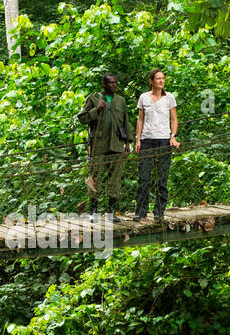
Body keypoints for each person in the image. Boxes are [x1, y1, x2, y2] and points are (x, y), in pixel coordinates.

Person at [76, 73, 131, 221]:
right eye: (111, 83)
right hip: (98, 145)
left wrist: (128, 142)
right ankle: (93, 212)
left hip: (117, 144)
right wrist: (97, 110)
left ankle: (111, 213)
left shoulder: (120, 101)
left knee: (115, 178)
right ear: (104, 84)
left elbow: (125, 121)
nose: (114, 85)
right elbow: (82, 118)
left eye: (115, 83)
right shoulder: (93, 98)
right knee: (96, 177)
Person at [134, 68, 178, 221]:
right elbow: (140, 119)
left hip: (164, 140)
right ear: (151, 81)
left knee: (162, 178)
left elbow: (174, 119)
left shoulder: (169, 98)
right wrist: (138, 139)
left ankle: (159, 211)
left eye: (163, 78)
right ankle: (140, 211)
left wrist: (173, 137)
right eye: (158, 78)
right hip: (147, 140)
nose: (161, 81)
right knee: (144, 177)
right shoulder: (143, 97)